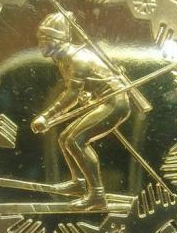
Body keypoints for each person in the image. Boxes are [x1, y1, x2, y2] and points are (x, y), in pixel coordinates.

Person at [31, 12, 131, 210]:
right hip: (102, 101)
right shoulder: (62, 58)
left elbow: (71, 95)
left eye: (44, 40)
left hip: (115, 103)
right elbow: (82, 89)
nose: (40, 45)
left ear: (57, 40)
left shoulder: (77, 58)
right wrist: (88, 95)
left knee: (76, 140)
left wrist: (46, 116)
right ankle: (79, 183)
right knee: (65, 138)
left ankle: (97, 196)